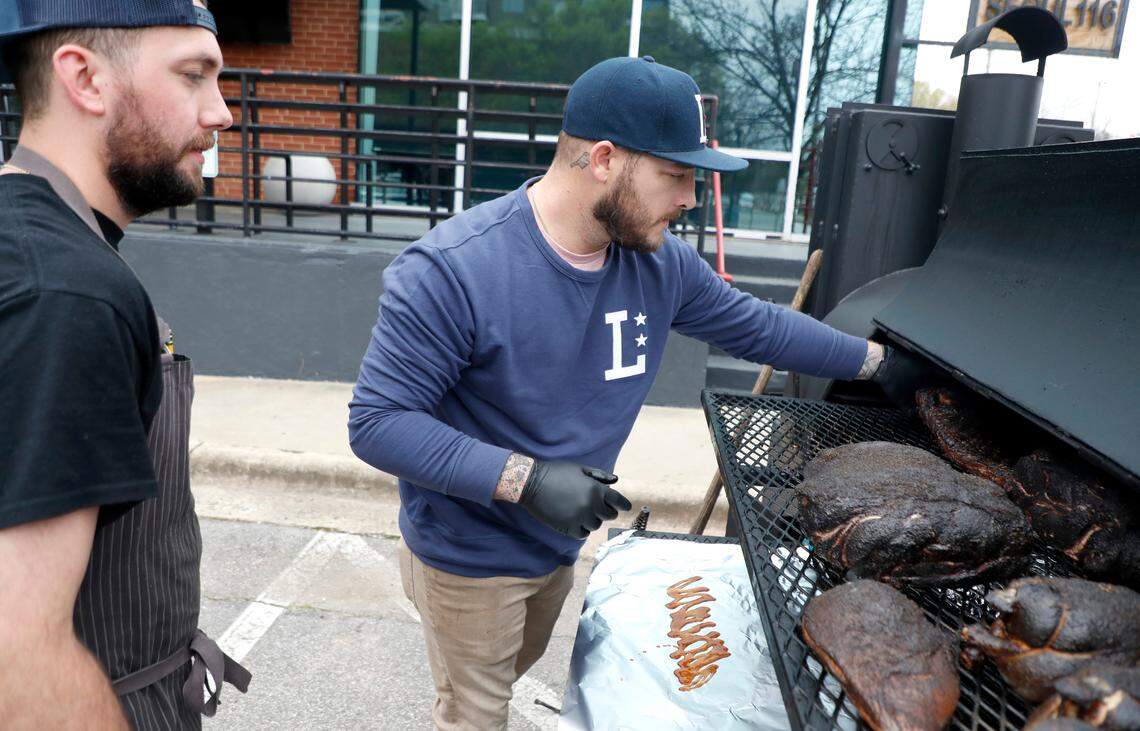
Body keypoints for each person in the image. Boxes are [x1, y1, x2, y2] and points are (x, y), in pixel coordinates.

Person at [349, 56, 888, 730]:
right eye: (675, 174)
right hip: (471, 554)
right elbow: (378, 422)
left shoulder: (658, 264)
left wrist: (881, 363)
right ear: (604, 159)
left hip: (556, 543)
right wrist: (527, 479)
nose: (691, 196)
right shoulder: (454, 270)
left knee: (506, 673)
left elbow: (760, 327)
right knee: (475, 711)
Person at [0, 1, 249, 727]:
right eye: (193, 76)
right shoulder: (65, 291)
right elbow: (18, 658)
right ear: (85, 78)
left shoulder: (38, 247)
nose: (222, 113)